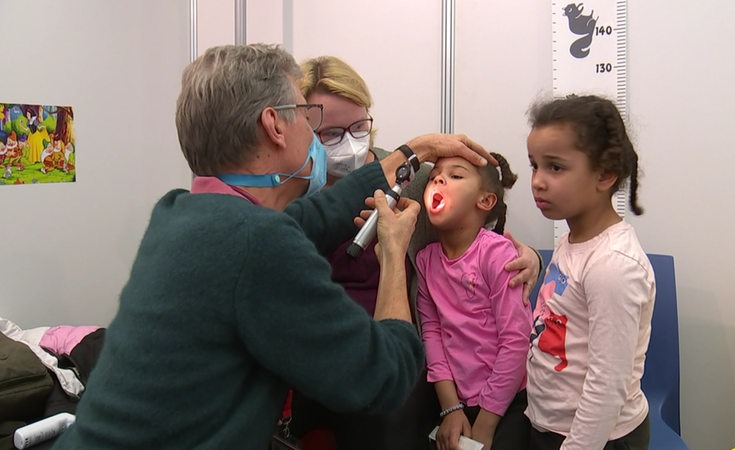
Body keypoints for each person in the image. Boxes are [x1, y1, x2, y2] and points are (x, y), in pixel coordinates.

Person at [53, 43, 496, 450]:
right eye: (308, 115)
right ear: (275, 125)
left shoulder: (180, 213)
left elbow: (318, 216)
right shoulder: (257, 243)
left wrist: (413, 150)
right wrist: (394, 256)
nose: (317, 130)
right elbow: (383, 377)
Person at [286, 55, 541, 450]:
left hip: (398, 354)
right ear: (302, 128)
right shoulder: (293, 192)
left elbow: (482, 235)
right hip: (324, 352)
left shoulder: (411, 178)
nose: (349, 144)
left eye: (358, 127)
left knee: (391, 417)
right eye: (331, 134)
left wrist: (531, 257)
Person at [524, 94, 655, 450]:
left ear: (605, 174)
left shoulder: (613, 265)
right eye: (534, 165)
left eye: (555, 167)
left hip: (597, 439)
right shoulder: (573, 239)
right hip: (553, 425)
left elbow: (607, 384)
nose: (537, 180)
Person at [416, 152, 532, 450]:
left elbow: (515, 342)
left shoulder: (498, 255)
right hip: (456, 401)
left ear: (485, 201)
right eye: (434, 177)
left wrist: (486, 423)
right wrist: (450, 408)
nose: (439, 179)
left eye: (455, 175)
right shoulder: (426, 261)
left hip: (509, 402)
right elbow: (432, 334)